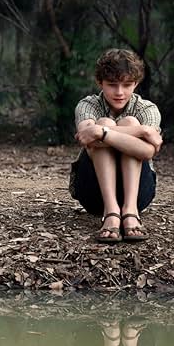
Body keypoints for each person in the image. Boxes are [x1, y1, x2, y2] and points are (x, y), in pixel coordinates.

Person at [71, 49, 162, 243]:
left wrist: (102, 133)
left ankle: (129, 211)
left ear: (136, 84)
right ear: (100, 83)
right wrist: (143, 132)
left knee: (128, 122)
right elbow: (88, 139)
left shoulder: (146, 109)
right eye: (112, 85)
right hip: (94, 193)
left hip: (138, 195)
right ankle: (111, 211)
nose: (120, 92)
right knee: (106, 122)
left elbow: (147, 152)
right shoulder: (88, 105)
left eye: (127, 85)